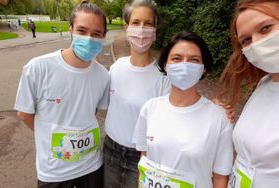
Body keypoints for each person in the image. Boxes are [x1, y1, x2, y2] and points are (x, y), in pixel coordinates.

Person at [14, 2, 109, 188]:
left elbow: (94, 111)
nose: (89, 38)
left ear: (104, 36)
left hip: (92, 165)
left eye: (96, 33)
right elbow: (24, 114)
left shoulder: (103, 75)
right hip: (54, 171)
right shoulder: (38, 67)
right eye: (82, 30)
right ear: (70, 29)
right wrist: (54, 138)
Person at [133, 30, 234, 188]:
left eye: (194, 60)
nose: (184, 65)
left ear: (204, 68)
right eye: (176, 58)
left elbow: (220, 178)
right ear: (165, 65)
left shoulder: (219, 118)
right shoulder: (150, 108)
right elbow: (144, 160)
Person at [103, 0, 171, 187]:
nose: (142, 29)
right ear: (126, 28)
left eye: (148, 24)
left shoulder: (164, 77)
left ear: (155, 30)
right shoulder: (117, 67)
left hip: (143, 157)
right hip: (110, 151)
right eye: (136, 22)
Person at [219, 0, 279, 187]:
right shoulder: (264, 83)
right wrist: (221, 117)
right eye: (246, 40)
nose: (257, 43)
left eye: (265, 28)